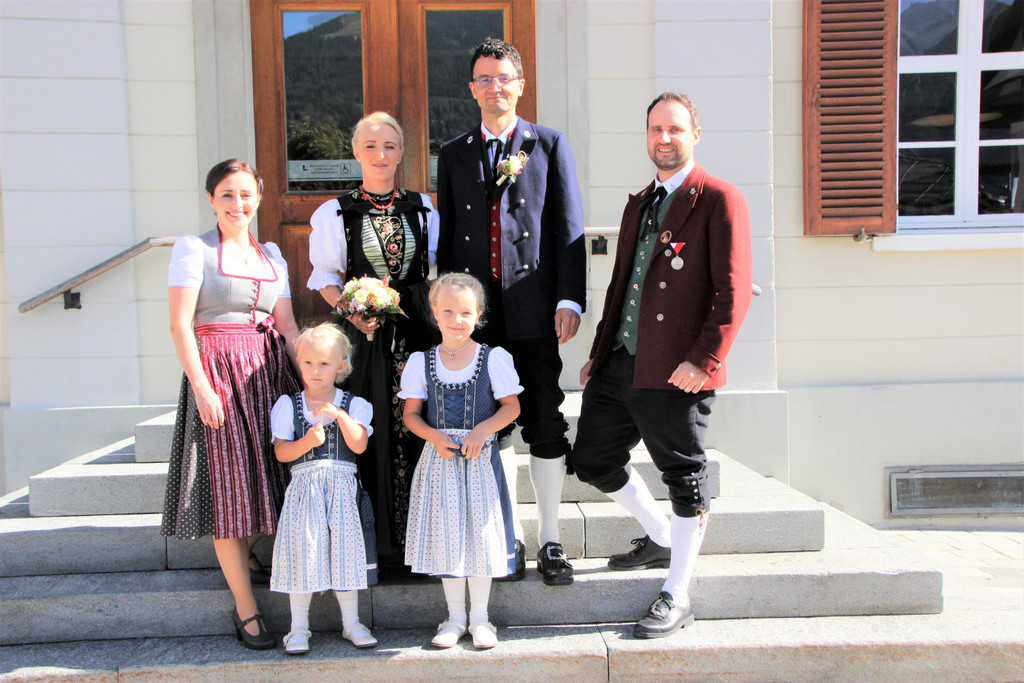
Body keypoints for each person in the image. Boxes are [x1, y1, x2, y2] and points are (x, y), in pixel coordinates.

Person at [571, 92, 753, 638]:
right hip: (621, 360)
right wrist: (598, 352)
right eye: (655, 129)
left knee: (684, 477)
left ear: (695, 133)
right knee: (592, 458)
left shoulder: (719, 198)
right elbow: (621, 284)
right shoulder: (640, 202)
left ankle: (678, 593)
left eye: (674, 129)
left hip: (678, 367)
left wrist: (705, 359)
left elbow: (733, 292)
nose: (664, 138)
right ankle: (660, 536)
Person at [435, 38, 585, 586]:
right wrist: (449, 313)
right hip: (477, 320)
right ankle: (506, 535)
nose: (494, 86)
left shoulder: (548, 143)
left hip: (535, 311)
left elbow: (568, 227)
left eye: (503, 77)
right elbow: (449, 237)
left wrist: (569, 298)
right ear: (472, 89)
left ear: (520, 85)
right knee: (489, 427)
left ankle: (551, 537)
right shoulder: (453, 152)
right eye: (484, 78)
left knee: (544, 418)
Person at [161, 158, 301, 650]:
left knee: (280, 477)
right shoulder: (193, 249)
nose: (237, 204)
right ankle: (246, 610)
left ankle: (249, 553)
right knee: (231, 489)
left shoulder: (272, 255)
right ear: (211, 200)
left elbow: (286, 326)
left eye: (245, 194)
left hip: (268, 374)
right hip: (218, 372)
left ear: (258, 198)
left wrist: (313, 379)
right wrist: (201, 386)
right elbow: (180, 324)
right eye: (227, 194)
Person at [307, 112, 439, 570]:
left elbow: (434, 272)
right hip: (362, 339)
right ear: (355, 152)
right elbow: (325, 277)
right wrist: (352, 311)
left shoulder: (424, 208)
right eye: (370, 145)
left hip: (418, 333)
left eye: (389, 146)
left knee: (417, 422)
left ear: (402, 152)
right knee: (370, 423)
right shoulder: (335, 212)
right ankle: (373, 547)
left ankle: (422, 546)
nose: (380, 155)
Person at [399, 273, 522, 649]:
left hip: (480, 462)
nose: (456, 319)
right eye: (448, 311)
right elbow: (410, 415)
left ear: (479, 315)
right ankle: (454, 618)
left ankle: (481, 619)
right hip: (440, 464)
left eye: (466, 312)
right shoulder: (422, 361)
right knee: (447, 538)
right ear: (434, 312)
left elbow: (511, 407)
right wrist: (434, 436)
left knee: (480, 538)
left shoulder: (493, 358)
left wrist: (482, 430)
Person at [270, 324, 377, 654]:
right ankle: (298, 628)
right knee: (303, 553)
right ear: (298, 362)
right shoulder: (289, 404)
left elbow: (359, 445)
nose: (315, 370)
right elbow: (281, 452)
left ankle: (352, 623)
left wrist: (340, 417)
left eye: (324, 363)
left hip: (343, 493)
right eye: (308, 363)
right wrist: (307, 442)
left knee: (345, 554)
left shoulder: (354, 405)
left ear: (341, 366)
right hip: (305, 493)